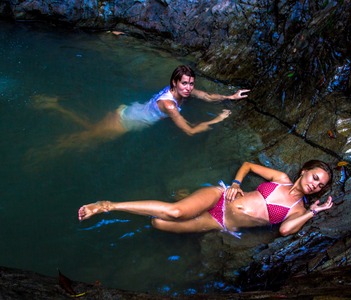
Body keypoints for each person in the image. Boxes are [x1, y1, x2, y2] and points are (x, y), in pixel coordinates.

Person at [28, 65, 250, 157]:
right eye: (185, 84)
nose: (189, 88)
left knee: (89, 130)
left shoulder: (180, 92)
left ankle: (55, 106)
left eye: (191, 84)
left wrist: (230, 97)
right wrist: (219, 119)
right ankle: (51, 116)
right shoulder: (170, 105)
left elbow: (207, 96)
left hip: (128, 112)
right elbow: (190, 131)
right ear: (175, 82)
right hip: (123, 123)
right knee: (84, 138)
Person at [78, 160, 334, 237]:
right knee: (175, 212)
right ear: (304, 171)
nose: (315, 185)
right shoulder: (280, 177)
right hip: (219, 198)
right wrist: (235, 183)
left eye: (320, 185)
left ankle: (184, 196)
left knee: (158, 224)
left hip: (221, 223)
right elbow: (247, 165)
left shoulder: (298, 210)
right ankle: (108, 205)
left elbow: (286, 231)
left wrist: (314, 211)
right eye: (315, 177)